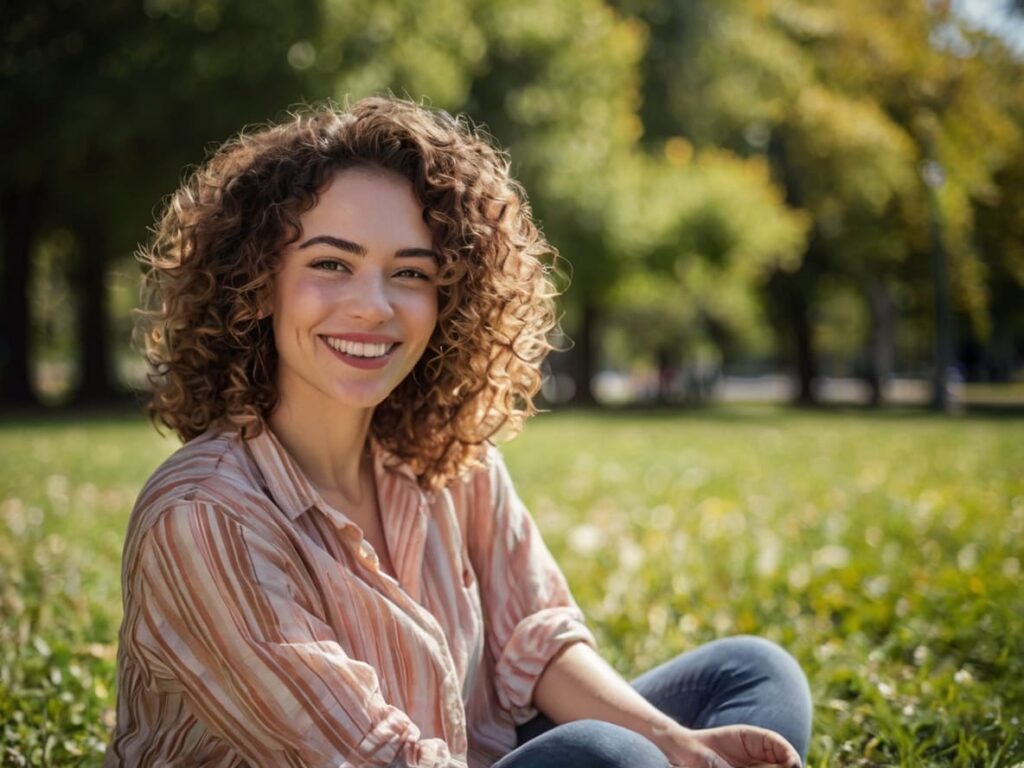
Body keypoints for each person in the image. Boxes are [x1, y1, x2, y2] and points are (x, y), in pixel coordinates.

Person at [105, 96, 812, 768]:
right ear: (258, 282)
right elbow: (374, 758)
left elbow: (534, 636)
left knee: (751, 675)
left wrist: (675, 743)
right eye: (331, 264)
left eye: (410, 273)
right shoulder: (204, 516)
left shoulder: (445, 451)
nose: (373, 307)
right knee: (607, 756)